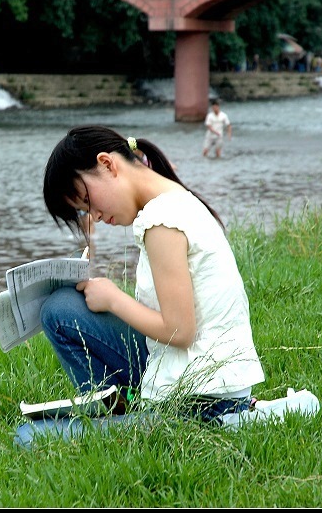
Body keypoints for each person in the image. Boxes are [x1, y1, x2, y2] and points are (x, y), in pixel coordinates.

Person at [39, 126, 265, 424]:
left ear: (107, 164)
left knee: (33, 435)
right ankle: (119, 409)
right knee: (61, 307)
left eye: (87, 201)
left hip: (201, 400)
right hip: (209, 384)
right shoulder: (175, 200)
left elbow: (180, 332)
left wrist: (113, 299)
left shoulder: (162, 221)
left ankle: (111, 419)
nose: (94, 217)